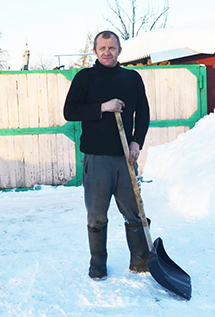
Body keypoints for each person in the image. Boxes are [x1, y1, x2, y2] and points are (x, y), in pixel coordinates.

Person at [64, 31, 151, 280]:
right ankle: (98, 264)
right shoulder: (85, 78)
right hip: (96, 158)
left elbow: (143, 114)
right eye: (102, 48)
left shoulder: (132, 79)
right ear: (95, 51)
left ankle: (141, 260)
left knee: (135, 211)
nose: (107, 52)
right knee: (97, 214)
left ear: (119, 51)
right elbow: (69, 111)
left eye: (112, 47)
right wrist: (103, 107)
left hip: (126, 158)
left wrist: (137, 142)